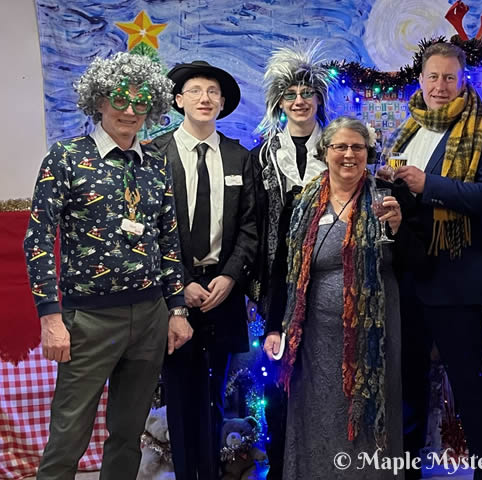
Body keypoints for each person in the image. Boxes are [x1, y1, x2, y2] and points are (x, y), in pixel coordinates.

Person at [23, 52, 191, 479]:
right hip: (89, 320)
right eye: (120, 99)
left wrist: (176, 309)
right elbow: (39, 240)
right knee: (68, 436)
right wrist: (50, 317)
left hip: (150, 316)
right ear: (98, 100)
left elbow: (168, 239)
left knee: (128, 434)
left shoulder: (155, 163)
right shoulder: (65, 158)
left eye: (141, 102)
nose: (130, 111)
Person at [387, 42, 482, 480]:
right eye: (433, 77)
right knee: (407, 383)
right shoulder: (406, 130)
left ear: (463, 81)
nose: (440, 86)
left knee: (469, 383)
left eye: (449, 78)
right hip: (406, 278)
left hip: (456, 279)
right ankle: (407, 471)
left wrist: (428, 184)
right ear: (420, 80)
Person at [263, 117, 412, 479]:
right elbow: (283, 271)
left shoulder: (389, 197)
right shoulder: (300, 204)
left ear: (368, 153)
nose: (349, 155)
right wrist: (273, 328)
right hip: (315, 339)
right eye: (340, 147)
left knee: (370, 410)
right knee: (317, 414)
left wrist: (399, 228)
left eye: (357, 147)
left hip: (375, 335)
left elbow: (416, 266)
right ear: (325, 152)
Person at [150, 60, 257, 480]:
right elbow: (151, 230)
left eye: (213, 91)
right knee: (178, 391)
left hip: (222, 291)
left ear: (223, 102)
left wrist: (230, 276)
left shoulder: (239, 156)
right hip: (174, 296)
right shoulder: (155, 154)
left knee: (216, 393)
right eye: (195, 90)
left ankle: (210, 473)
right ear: (179, 100)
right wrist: (181, 285)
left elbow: (251, 226)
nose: (205, 98)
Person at [249, 44, 333, 478]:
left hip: (332, 282)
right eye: (291, 94)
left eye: (307, 92)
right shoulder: (261, 156)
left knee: (330, 379)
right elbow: (252, 224)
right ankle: (281, 466)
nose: (299, 100)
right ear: (279, 102)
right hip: (279, 288)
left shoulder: (341, 148)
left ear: (319, 98)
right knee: (279, 382)